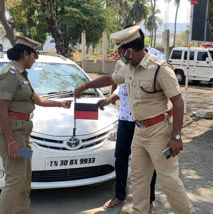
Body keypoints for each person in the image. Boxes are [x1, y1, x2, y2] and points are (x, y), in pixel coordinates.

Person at [74, 25, 195, 214]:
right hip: (139, 132)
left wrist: (176, 136)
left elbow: (178, 103)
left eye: (121, 51)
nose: (119, 55)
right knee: (139, 178)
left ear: (129, 50)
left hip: (158, 132)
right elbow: (110, 79)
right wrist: (85, 85)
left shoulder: (160, 68)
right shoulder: (128, 68)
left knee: (169, 179)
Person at [0, 36, 72, 214]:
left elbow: (38, 100)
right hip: (11, 133)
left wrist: (60, 104)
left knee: (25, 178)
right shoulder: (10, 74)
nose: (36, 59)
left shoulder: (22, 75)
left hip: (22, 135)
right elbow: (2, 109)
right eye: (35, 55)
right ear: (25, 53)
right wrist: (11, 141)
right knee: (15, 179)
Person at [100, 44, 167, 211]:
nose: (120, 52)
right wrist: (109, 99)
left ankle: (149, 199)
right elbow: (123, 85)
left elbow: (163, 88)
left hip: (146, 120)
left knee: (149, 160)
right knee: (120, 156)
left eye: (122, 46)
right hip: (124, 117)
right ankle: (120, 195)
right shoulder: (124, 58)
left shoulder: (158, 57)